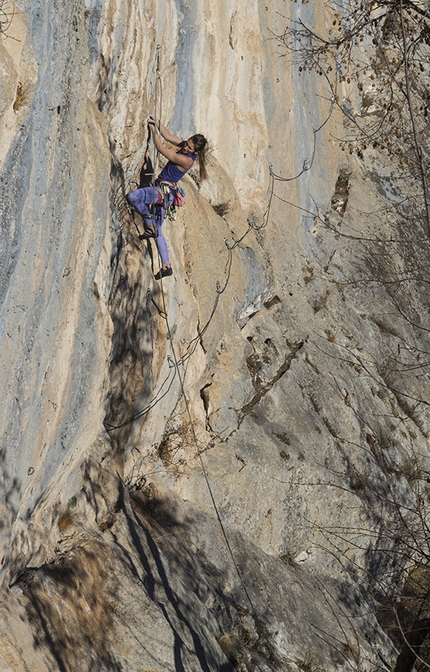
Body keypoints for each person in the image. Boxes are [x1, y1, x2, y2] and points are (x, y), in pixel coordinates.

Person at [127, 116, 208, 279]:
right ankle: (166, 266)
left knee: (133, 197)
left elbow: (162, 148)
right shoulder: (186, 148)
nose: (186, 147)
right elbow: (169, 136)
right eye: (187, 143)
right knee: (158, 230)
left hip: (163, 192)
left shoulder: (186, 160)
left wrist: (153, 132)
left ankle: (148, 223)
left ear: (196, 153)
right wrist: (158, 124)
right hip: (165, 194)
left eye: (190, 147)